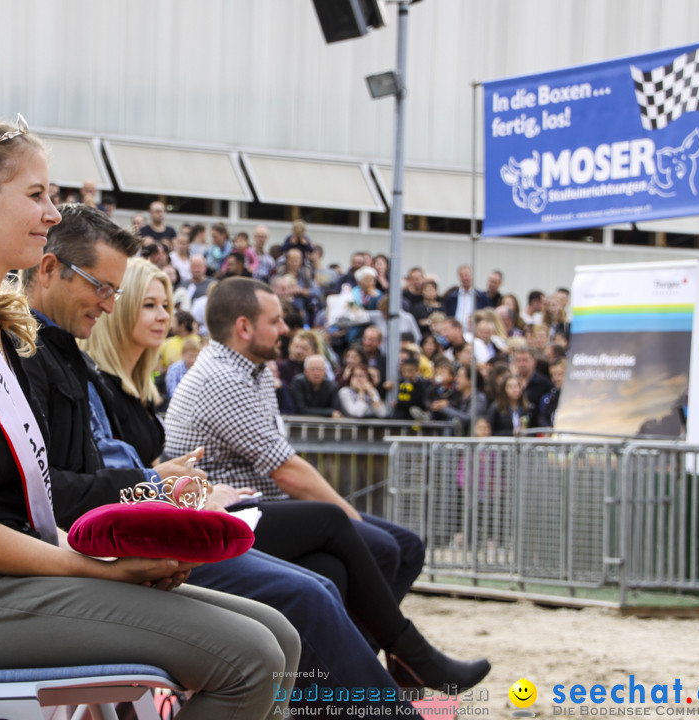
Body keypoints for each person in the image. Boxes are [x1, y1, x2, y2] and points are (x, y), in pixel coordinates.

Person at [0, 117, 297, 719]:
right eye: (36, 195)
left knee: (281, 639)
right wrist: (98, 570)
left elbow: (16, 507)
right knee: (252, 658)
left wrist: (117, 555)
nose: (54, 214)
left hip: (0, 587)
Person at [82, 256, 490, 703]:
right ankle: (380, 673)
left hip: (218, 509)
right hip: (203, 521)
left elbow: (154, 465)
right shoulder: (209, 377)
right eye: (149, 306)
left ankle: (346, 684)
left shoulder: (189, 381)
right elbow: (285, 468)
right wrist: (199, 492)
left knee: (361, 558)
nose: (164, 316)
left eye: (164, 305)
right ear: (243, 326)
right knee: (355, 538)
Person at [163, 277, 426, 601]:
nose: (285, 329)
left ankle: (369, 647)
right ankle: (375, 647)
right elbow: (286, 470)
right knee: (376, 546)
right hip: (236, 512)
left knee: (407, 546)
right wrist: (352, 520)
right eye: (275, 321)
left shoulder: (254, 371)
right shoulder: (223, 376)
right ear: (244, 328)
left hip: (261, 504)